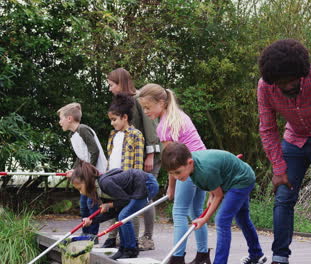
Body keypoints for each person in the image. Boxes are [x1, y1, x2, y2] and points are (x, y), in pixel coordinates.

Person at [257, 39, 311, 264]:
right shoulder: (266, 87)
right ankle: (280, 257)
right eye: (281, 83)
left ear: (301, 73)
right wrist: (278, 168)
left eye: (291, 81)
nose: (287, 86)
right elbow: (268, 128)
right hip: (294, 140)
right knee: (284, 196)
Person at [161, 142, 266, 264]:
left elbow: (219, 195)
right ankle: (256, 254)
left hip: (241, 181)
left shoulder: (204, 171)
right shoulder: (192, 168)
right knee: (242, 219)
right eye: (172, 173)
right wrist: (212, 194)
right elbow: (215, 183)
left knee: (222, 221)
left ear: (190, 163)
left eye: (178, 172)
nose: (176, 177)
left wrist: (204, 219)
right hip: (233, 179)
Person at [139, 84, 210, 264]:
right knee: (197, 212)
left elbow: (172, 162)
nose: (146, 111)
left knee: (179, 212)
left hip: (188, 168)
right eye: (143, 108)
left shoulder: (164, 127)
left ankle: (177, 257)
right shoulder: (179, 116)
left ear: (161, 103)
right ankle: (203, 256)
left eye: (148, 107)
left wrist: (171, 187)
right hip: (203, 165)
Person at [105, 68, 161, 250]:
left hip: (147, 154)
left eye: (111, 84)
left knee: (145, 195)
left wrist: (150, 154)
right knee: (129, 194)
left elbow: (151, 125)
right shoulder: (123, 102)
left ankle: (147, 237)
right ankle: (123, 234)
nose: (109, 88)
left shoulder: (139, 98)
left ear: (121, 83)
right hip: (133, 155)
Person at [70, 160, 159, 260]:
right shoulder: (99, 190)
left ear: (86, 181)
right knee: (119, 216)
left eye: (80, 188)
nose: (81, 193)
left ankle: (131, 249)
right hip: (137, 188)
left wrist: (109, 204)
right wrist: (92, 220)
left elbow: (125, 200)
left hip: (147, 184)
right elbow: (113, 212)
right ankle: (123, 249)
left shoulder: (105, 184)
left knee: (124, 216)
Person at [57, 102, 107, 239]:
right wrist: (73, 170)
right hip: (86, 174)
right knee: (83, 206)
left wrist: (85, 172)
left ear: (69, 118)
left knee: (92, 205)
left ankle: (92, 235)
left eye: (61, 118)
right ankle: (85, 232)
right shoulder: (72, 136)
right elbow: (80, 158)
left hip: (94, 174)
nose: (59, 122)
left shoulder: (83, 130)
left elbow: (94, 151)